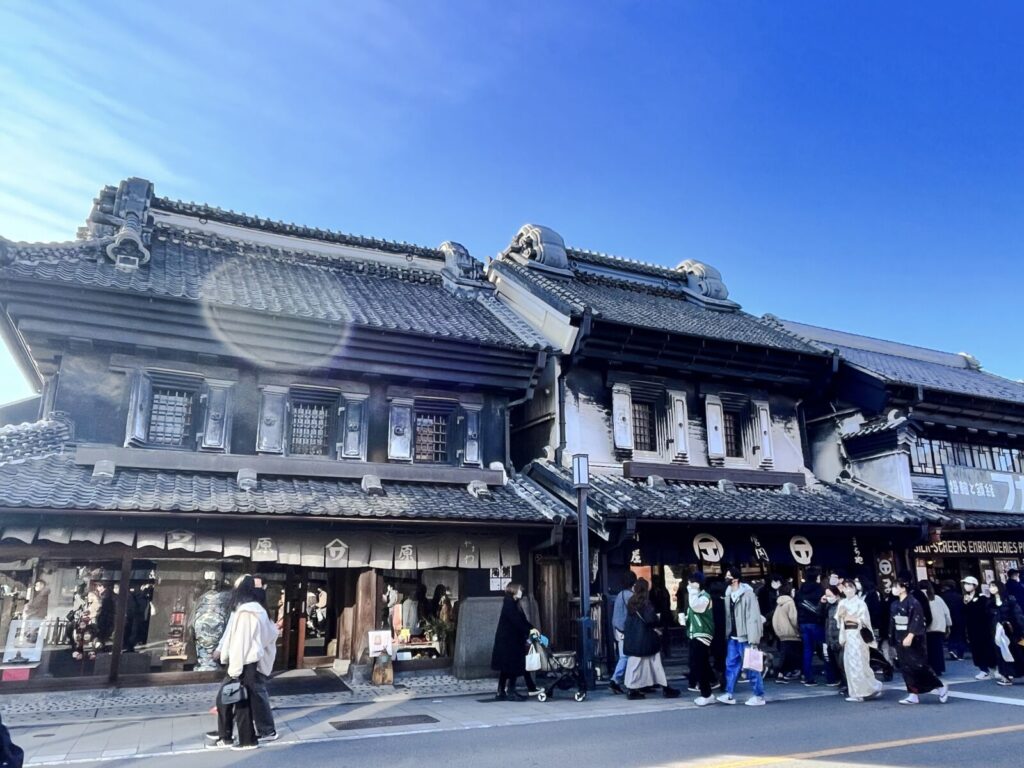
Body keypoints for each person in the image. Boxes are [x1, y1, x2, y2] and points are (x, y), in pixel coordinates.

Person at [207, 575, 278, 751]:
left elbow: (240, 642)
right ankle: (234, 736)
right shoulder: (258, 610)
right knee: (238, 700)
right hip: (250, 661)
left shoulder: (247, 612)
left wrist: (235, 668)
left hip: (244, 662)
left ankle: (240, 738)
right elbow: (270, 634)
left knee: (237, 701)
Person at [890, 574, 948, 705]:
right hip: (899, 636)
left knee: (918, 665)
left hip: (913, 638)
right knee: (905, 667)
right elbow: (892, 623)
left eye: (896, 586)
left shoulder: (913, 602)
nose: (893, 589)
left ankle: (939, 686)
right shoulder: (894, 604)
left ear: (903, 588)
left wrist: (911, 635)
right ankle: (913, 693)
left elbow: (917, 620)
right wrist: (892, 638)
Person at [622, 578, 680, 699]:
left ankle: (633, 688)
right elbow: (651, 620)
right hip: (646, 637)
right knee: (655, 662)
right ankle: (664, 687)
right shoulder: (646, 603)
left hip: (634, 638)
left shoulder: (631, 602)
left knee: (635, 664)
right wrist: (658, 621)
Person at [717, 564, 766, 706]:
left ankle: (758, 696)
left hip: (746, 636)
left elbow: (753, 617)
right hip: (733, 636)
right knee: (731, 666)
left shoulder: (748, 594)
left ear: (736, 578)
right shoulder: (728, 594)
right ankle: (729, 694)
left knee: (752, 667)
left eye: (729, 576)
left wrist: (753, 639)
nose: (726, 578)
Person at [836, 578, 883, 702]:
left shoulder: (860, 603)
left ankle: (862, 692)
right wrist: (841, 616)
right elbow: (839, 621)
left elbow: (864, 620)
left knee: (859, 663)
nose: (848, 590)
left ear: (855, 588)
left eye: (850, 587)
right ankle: (861, 691)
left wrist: (850, 617)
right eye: (846, 587)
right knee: (849, 664)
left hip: (858, 635)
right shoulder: (842, 603)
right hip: (848, 634)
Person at [490, 582, 539, 700]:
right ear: (514, 591)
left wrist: (532, 628)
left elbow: (523, 621)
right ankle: (511, 692)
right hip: (508, 641)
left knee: (506, 667)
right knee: (512, 665)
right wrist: (529, 630)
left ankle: (501, 692)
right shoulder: (510, 604)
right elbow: (517, 622)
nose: (522, 592)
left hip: (510, 640)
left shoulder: (514, 603)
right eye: (520, 590)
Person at [796, 567, 832, 686]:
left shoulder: (800, 591)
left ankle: (808, 677)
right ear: (817, 577)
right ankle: (830, 677)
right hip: (817, 623)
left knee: (807, 650)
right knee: (825, 649)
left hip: (803, 623)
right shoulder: (820, 590)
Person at [685, 572, 717, 706]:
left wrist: (692, 591)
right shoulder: (698, 596)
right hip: (695, 634)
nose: (688, 585)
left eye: (691, 582)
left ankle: (706, 694)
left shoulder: (704, 597)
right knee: (700, 664)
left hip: (702, 634)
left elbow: (695, 606)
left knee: (699, 664)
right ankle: (708, 691)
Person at [987, 579, 1024, 684]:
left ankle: (1013, 673)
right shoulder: (990, 602)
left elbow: (1018, 615)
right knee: (1001, 653)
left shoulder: (1009, 599)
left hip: (1011, 630)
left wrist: (1021, 629)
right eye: (990, 586)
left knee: (1016, 652)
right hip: (997, 631)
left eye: (994, 586)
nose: (992, 588)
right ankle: (1005, 676)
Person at [961, 576, 997, 680]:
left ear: (975, 585)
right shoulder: (965, 598)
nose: (966, 586)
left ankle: (993, 668)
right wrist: (966, 604)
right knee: (976, 649)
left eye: (968, 584)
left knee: (988, 648)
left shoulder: (982, 598)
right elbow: (963, 613)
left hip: (984, 628)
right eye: (965, 584)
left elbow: (986, 612)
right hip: (971, 628)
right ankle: (983, 669)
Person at [608, 570, 638, 695]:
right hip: (627, 631)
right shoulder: (630, 596)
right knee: (628, 657)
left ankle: (617, 680)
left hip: (618, 630)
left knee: (623, 656)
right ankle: (616, 680)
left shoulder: (619, 595)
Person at [771, 582, 802, 682]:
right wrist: (798, 630)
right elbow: (793, 618)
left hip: (781, 632)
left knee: (785, 653)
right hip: (790, 632)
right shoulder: (790, 602)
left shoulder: (779, 603)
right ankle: (781, 673)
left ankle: (783, 673)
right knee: (790, 654)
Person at [919, 580, 951, 675]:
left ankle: (929, 668)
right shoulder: (937, 598)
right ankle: (938, 668)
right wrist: (948, 625)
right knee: (938, 649)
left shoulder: (919, 598)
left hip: (926, 628)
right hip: (938, 627)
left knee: (927, 650)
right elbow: (946, 613)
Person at [822, 585, 845, 692]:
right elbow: (820, 615)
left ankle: (845, 683)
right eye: (826, 595)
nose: (828, 598)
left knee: (842, 662)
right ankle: (842, 682)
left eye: (829, 595)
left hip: (840, 636)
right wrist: (821, 603)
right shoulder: (828, 606)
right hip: (831, 637)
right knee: (836, 662)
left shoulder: (842, 605)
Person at [941, 580, 966, 661]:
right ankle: (960, 654)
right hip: (959, 618)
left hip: (948, 619)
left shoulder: (942, 597)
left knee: (950, 635)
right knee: (960, 636)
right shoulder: (960, 596)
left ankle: (951, 649)